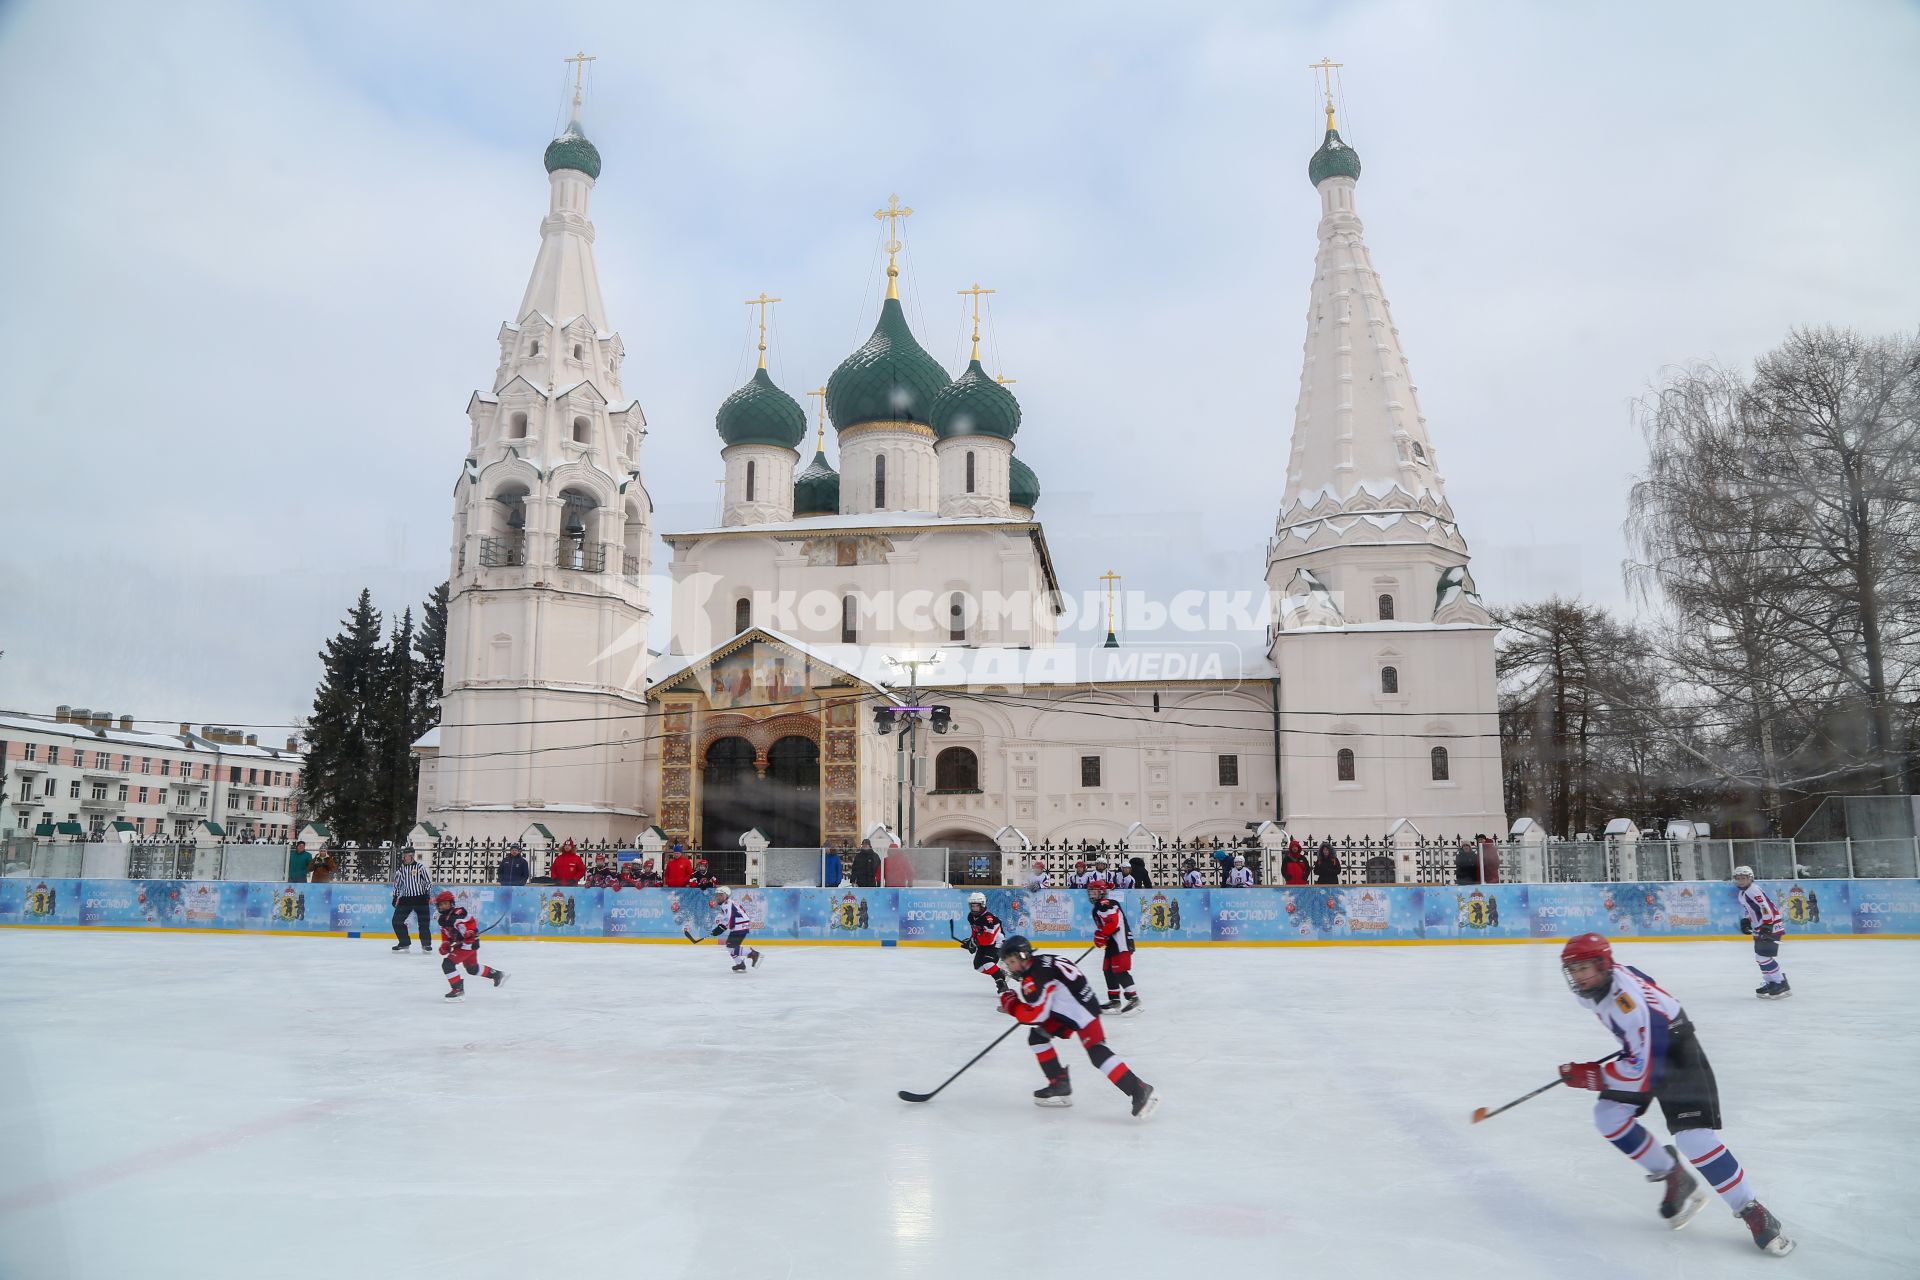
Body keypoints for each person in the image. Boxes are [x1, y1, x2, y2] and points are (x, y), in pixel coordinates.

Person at [1556, 933, 1793, 1256]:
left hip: (1677, 1050)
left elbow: (1642, 1074)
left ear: (1603, 964)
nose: (1579, 977)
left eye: (1585, 968)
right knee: (1609, 1116)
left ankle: (1752, 1210)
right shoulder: (1598, 986)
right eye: (1573, 970)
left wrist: (1591, 1075)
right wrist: (1637, 1043)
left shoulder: (1630, 1005)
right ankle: (1674, 1176)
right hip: (1647, 1048)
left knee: (1694, 1140)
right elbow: (1643, 976)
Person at [997, 936, 1158, 1118]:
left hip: (1081, 1012)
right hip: (1071, 1007)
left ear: (1024, 955)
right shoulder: (1042, 961)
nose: (1009, 967)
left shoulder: (1035, 977)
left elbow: (1036, 1015)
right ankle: (1059, 1085)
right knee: (1037, 1037)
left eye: (1011, 962)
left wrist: (1011, 1004)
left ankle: (1138, 1089)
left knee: (1097, 1053)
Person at [435, 890, 506, 999]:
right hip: (464, 944)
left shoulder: (458, 912)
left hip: (468, 944)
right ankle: (496, 974)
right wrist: (446, 944)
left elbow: (469, 923)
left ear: (451, 903)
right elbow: (446, 935)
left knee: (447, 964)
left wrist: (470, 932)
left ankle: (457, 989)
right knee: (472, 969)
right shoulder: (441, 919)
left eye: (446, 903)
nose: (443, 906)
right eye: (441, 904)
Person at [1732, 866, 1789, 999]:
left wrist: (1768, 924)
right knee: (1760, 958)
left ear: (1750, 878)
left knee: (1764, 957)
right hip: (1761, 926)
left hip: (1771, 925)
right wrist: (1746, 920)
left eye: (1744, 878)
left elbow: (1765, 907)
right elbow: (1751, 909)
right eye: (1738, 878)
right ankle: (1771, 982)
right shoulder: (1743, 893)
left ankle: (1780, 982)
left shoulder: (1753, 890)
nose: (1741, 881)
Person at [1089, 881, 1139, 1013]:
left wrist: (1102, 935)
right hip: (1113, 943)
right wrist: (1100, 935)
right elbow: (1105, 927)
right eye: (1090, 891)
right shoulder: (1099, 906)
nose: (1091, 894)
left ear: (1102, 892)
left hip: (1120, 942)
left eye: (1094, 891)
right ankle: (1114, 1000)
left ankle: (1133, 997)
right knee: (1108, 969)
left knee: (1119, 970)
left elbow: (1114, 923)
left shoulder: (1106, 904)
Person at [957, 891, 1007, 993]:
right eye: (972, 906)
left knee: (987, 963)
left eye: (977, 906)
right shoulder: (971, 916)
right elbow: (975, 930)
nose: (974, 908)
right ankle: (999, 972)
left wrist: (974, 943)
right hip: (984, 944)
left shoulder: (988, 919)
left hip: (996, 944)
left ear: (983, 905)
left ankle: (1001, 983)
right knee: (978, 966)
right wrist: (971, 940)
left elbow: (989, 939)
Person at [706, 885, 761, 973]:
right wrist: (719, 928)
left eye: (721, 895)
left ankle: (752, 953)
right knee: (729, 946)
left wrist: (719, 929)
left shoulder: (727, 905)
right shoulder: (727, 903)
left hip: (740, 927)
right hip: (739, 926)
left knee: (731, 946)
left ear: (726, 896)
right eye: (717, 895)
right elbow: (728, 919)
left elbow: (728, 919)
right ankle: (740, 964)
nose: (718, 897)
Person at [390, 848, 434, 953]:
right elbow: (397, 885)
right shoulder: (400, 870)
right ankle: (404, 942)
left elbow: (428, 882)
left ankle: (426, 944)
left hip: (421, 898)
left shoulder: (420, 867)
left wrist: (427, 894)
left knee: (424, 922)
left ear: (412, 856)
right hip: (406, 898)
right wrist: (395, 897)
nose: (406, 857)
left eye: (408, 855)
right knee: (396, 921)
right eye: (404, 855)